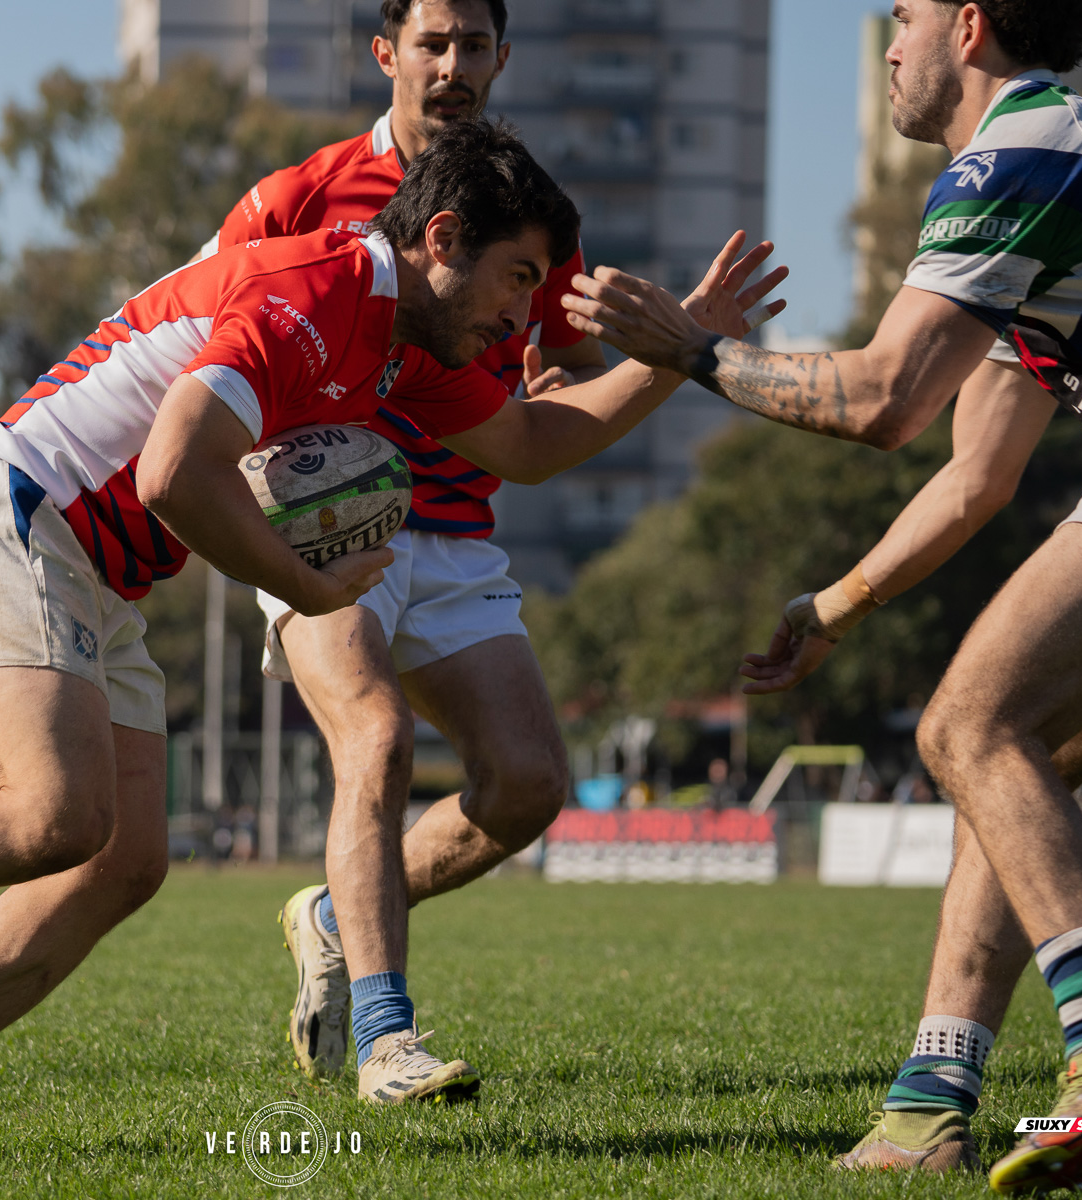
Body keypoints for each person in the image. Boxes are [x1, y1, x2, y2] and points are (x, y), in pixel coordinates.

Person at [0, 118, 783, 1159]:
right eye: (518, 278)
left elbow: (534, 441)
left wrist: (690, 351)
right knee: (52, 812)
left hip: (96, 575)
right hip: (15, 508)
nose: (522, 314)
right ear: (442, 239)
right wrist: (304, 585)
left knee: (123, 862)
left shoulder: (400, 339)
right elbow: (170, 472)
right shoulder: (319, 286)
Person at [566, 1, 1082, 1188]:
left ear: (967, 25)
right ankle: (927, 1109)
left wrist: (688, 351)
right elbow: (974, 475)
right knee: (1008, 770)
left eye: (898, 17)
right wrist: (835, 605)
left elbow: (882, 401)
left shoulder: (1016, 154)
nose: (885, 46)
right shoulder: (1064, 172)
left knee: (968, 726)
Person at [200, 0, 786, 1103]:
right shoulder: (299, 198)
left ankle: (337, 913)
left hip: (460, 529)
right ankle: (386, 1039)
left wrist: (666, 349)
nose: (453, 66)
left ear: (503, 58)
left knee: (526, 785)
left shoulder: (522, 215)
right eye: (433, 43)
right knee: (372, 740)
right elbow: (201, 341)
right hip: (326, 533)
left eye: (475, 46)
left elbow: (548, 382)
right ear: (387, 54)